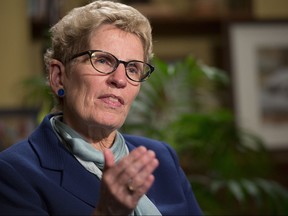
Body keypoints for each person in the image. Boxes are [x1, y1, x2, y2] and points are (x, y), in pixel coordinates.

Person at [0, 1, 202, 215]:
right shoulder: (14, 173)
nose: (120, 80)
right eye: (103, 60)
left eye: (133, 68)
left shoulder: (161, 159)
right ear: (59, 77)